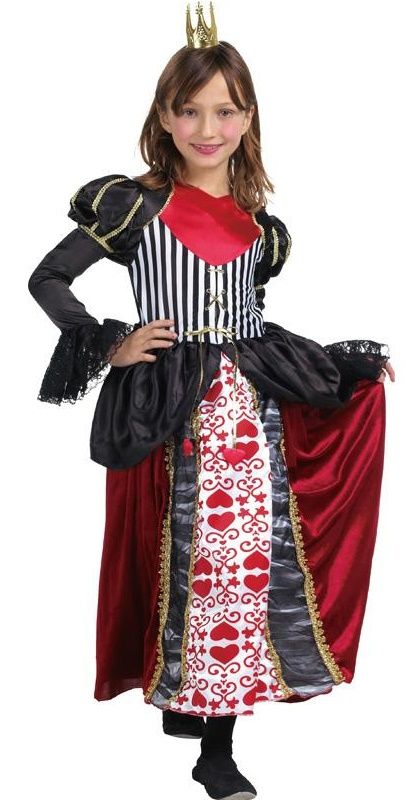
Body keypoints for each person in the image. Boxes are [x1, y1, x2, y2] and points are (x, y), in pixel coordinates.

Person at [27, 3, 395, 799]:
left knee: (236, 563)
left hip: (249, 416)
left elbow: (252, 325)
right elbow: (47, 278)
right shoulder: (135, 205)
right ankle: (185, 693)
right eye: (188, 110)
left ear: (248, 116)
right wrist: (108, 341)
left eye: (225, 110)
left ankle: (215, 746)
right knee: (182, 558)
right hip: (168, 408)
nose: (207, 128)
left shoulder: (260, 228)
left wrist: (342, 365)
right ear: (164, 115)